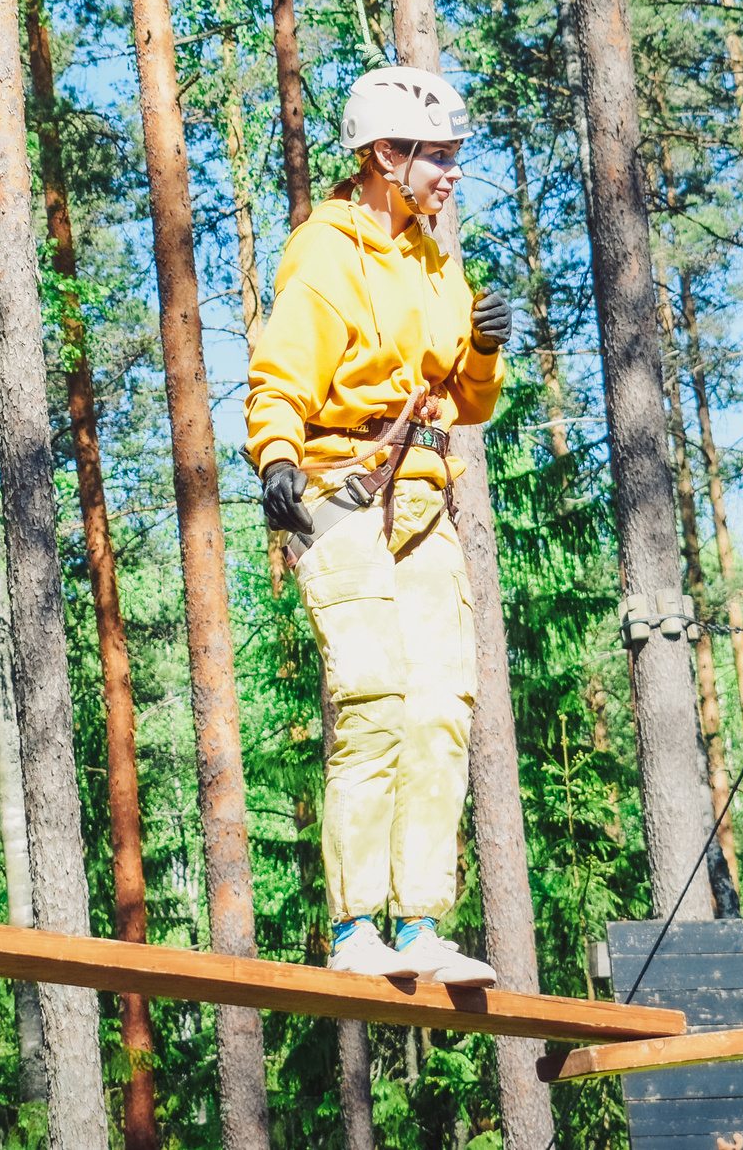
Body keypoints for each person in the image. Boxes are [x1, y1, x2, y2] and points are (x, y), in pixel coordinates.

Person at [249, 67, 511, 985]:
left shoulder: (437, 261)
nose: (451, 173)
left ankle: (418, 923)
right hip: (340, 481)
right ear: (384, 155)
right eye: (437, 157)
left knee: (443, 701)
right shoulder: (326, 250)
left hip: (423, 490)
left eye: (454, 156)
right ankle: (355, 925)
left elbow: (467, 403)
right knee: (374, 695)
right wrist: (276, 454)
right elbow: (283, 366)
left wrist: (481, 348)